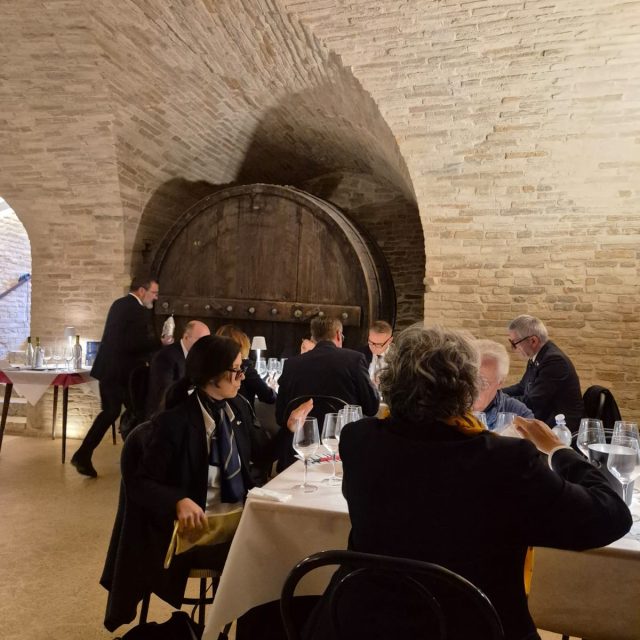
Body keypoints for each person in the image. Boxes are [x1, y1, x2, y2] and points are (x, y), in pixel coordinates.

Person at [305, 325, 630, 640]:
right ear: (467, 388)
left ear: (387, 381)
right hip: (472, 626)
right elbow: (610, 516)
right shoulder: (505, 461)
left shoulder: (358, 440)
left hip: (363, 623)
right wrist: (559, 451)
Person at [101, 335, 313, 631]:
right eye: (237, 371)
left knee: (289, 547)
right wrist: (177, 500)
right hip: (197, 530)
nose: (243, 377)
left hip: (236, 518)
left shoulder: (237, 408)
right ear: (214, 376)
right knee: (267, 558)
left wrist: (289, 429)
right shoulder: (174, 423)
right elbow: (141, 483)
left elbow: (261, 455)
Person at [71, 274, 171, 477]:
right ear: (141, 291)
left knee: (118, 412)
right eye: (154, 293)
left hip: (111, 370)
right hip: (119, 373)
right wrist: (160, 343)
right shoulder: (136, 310)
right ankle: (138, 459)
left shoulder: (120, 304)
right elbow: (131, 344)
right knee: (132, 413)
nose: (155, 297)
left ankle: (86, 455)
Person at [275, 316, 379, 468]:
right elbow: (372, 407)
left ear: (313, 337)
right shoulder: (354, 360)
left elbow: (280, 417)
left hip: (300, 449)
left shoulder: (291, 364)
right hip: (344, 451)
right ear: (338, 335)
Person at [503, 315, 584, 430]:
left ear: (533, 341)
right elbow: (521, 387)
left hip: (560, 428)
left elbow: (533, 403)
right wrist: (496, 393)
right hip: (545, 420)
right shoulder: (538, 356)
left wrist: (499, 401)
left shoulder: (554, 361)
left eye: (514, 343)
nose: (513, 348)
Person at [145, 319, 210, 417]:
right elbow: (165, 395)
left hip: (185, 408)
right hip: (163, 414)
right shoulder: (165, 357)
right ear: (186, 337)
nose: (205, 346)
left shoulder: (198, 356)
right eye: (201, 340)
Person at [473, 339, 534, 429]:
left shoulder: (518, 414)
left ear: (500, 382)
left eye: (483, 383)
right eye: (467, 379)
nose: (472, 388)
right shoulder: (451, 407)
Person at [215, 324, 276, 409]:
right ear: (242, 345)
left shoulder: (215, 364)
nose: (242, 376)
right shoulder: (246, 368)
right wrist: (273, 389)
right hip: (240, 414)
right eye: (236, 368)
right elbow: (269, 397)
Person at [358, 320, 393, 386]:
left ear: (389, 341)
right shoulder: (360, 353)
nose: (373, 347)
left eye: (378, 344)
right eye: (371, 342)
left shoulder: (398, 358)